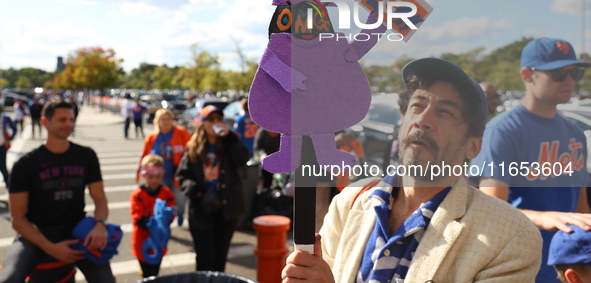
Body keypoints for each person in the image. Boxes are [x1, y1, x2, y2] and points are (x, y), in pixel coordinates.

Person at [282, 58, 542, 283]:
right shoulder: (349, 203)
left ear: (473, 146)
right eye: (417, 105)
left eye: (444, 112)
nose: (422, 120)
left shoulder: (509, 238)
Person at [472, 38, 591, 283]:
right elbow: (490, 210)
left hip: (570, 271)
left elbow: (580, 208)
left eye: (575, 72)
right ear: (527, 75)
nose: (569, 80)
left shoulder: (576, 135)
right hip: (521, 269)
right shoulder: (503, 131)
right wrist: (544, 217)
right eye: (559, 73)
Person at [0, 97, 115, 282]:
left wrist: (100, 225)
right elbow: (18, 219)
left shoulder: (86, 155)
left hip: (77, 230)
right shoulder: (26, 164)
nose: (68, 124)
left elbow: (100, 198)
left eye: (71, 119)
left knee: (106, 280)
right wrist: (51, 248)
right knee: (8, 279)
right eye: (62, 120)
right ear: (45, 122)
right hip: (37, 232)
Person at [176, 105, 250, 272]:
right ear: (202, 123)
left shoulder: (229, 143)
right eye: (211, 119)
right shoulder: (193, 147)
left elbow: (243, 159)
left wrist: (230, 137)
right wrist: (196, 192)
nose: (216, 122)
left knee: (220, 258)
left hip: (226, 208)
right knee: (205, 258)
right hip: (202, 209)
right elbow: (182, 176)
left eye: (219, 119)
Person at [137, 108, 191, 227]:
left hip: (177, 173)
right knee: (161, 200)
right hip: (158, 176)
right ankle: (163, 221)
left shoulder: (181, 132)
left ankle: (180, 214)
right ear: (158, 121)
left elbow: (191, 149)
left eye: (168, 119)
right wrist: (139, 171)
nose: (166, 122)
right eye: (163, 119)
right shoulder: (152, 137)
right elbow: (144, 155)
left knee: (180, 197)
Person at [131, 154, 176, 279]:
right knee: (146, 271)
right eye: (150, 177)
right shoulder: (138, 195)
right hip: (142, 240)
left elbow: (171, 211)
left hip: (159, 241)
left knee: (155, 271)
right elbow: (137, 216)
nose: (154, 180)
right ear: (143, 175)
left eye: (158, 176)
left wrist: (168, 217)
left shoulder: (166, 193)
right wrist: (151, 223)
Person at [0, 105, 17, 186]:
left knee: (3, 167)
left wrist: (9, 139)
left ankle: (9, 186)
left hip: (2, 147)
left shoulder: (5, 118)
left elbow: (14, 129)